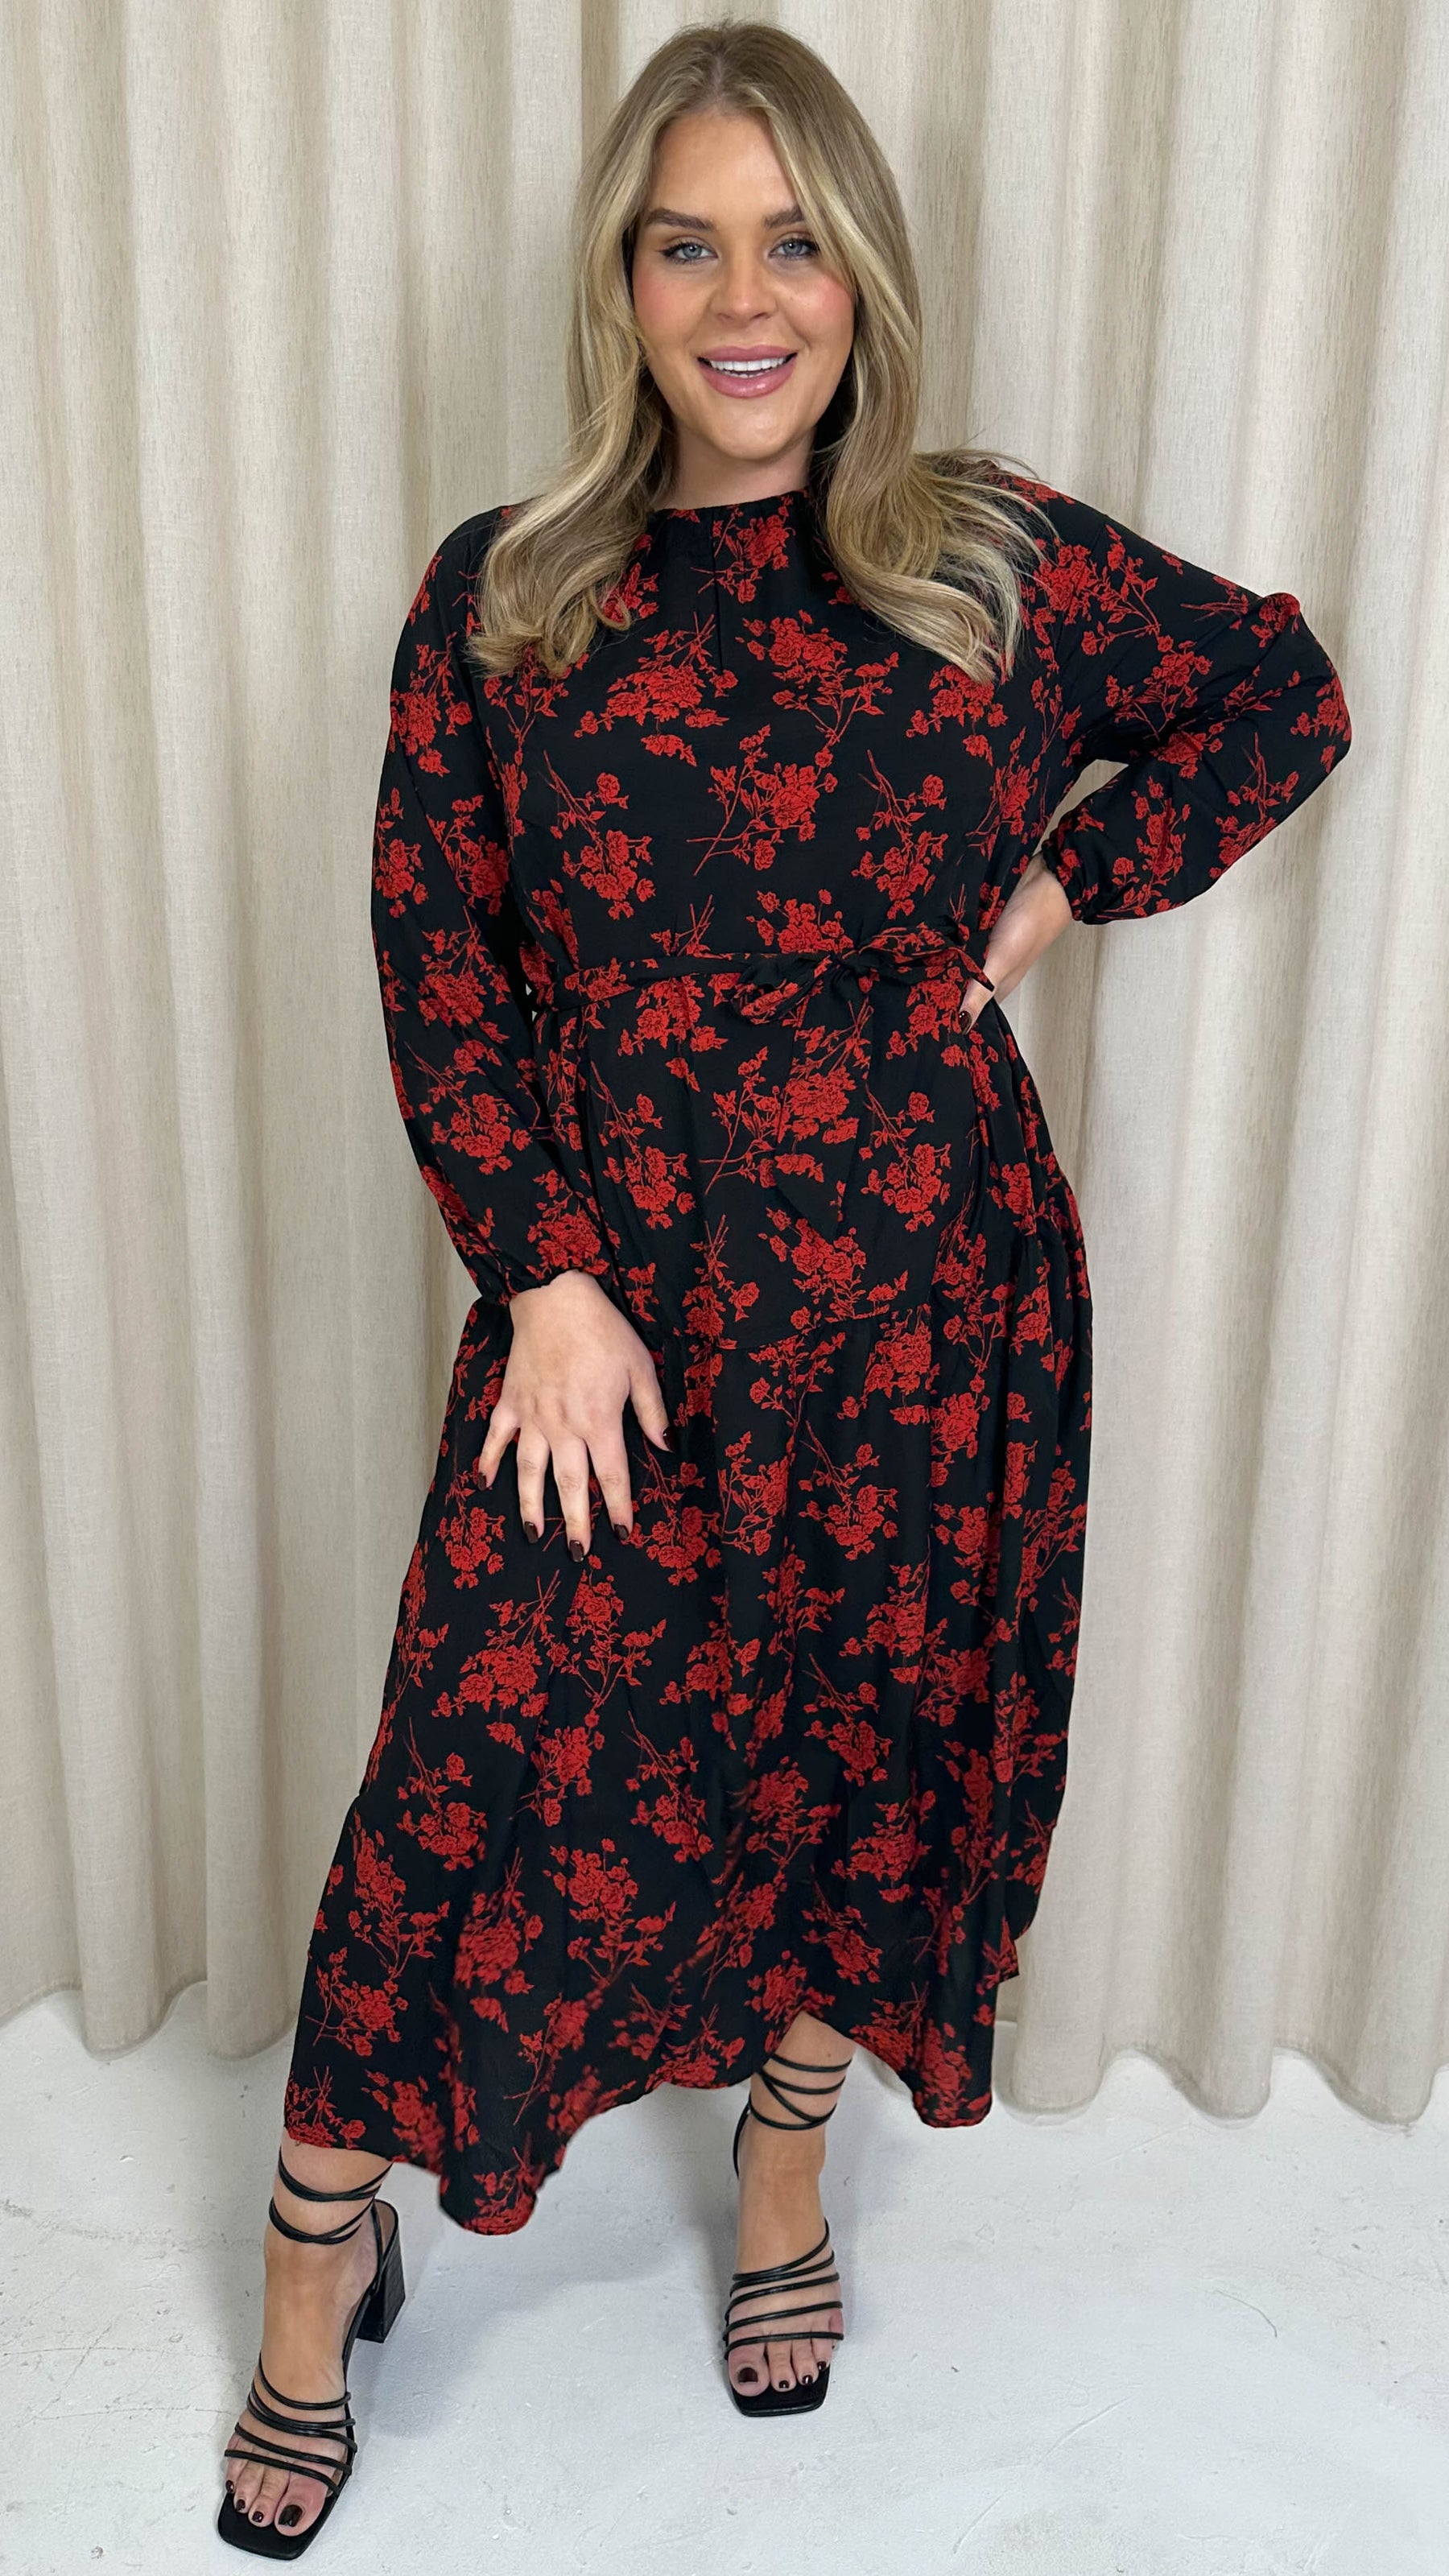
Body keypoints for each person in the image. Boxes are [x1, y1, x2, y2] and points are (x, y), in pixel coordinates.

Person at [218, 16, 1352, 2553]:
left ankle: (783, 2176)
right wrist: (543, 1276)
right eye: (688, 245)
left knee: (867, 1755)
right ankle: (315, 2259)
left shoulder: (987, 560)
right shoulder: (507, 594)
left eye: (797, 241)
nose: (749, 301)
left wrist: (1060, 891)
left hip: (932, 1301)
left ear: (865, 275)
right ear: (619, 284)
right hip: (615, 1325)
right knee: (466, 1784)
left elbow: (1281, 692)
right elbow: (438, 963)